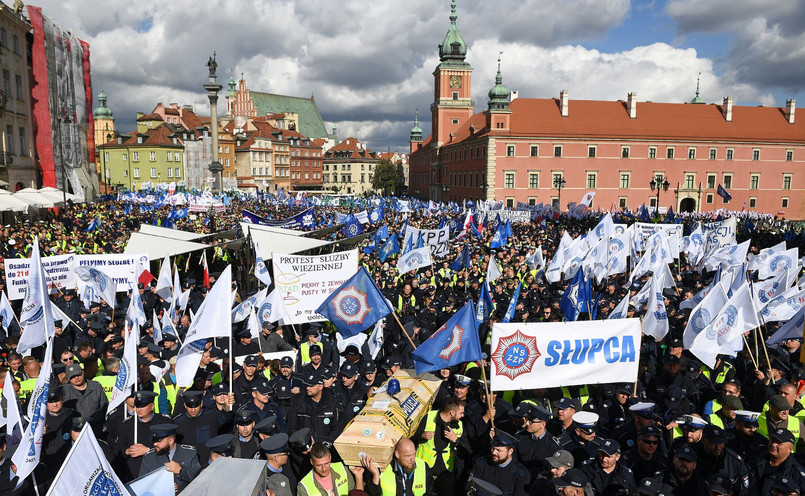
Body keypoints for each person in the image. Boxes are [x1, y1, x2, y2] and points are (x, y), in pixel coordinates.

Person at [415, 397, 470, 493]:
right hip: (424, 469)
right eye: (461, 413)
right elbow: (413, 438)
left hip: (446, 473)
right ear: (452, 413)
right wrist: (422, 435)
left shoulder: (459, 425)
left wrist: (456, 440)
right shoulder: (429, 417)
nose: (463, 415)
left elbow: (467, 449)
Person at [139, 424, 201, 493]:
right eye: (154, 441)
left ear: (171, 440)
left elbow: (200, 479)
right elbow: (142, 485)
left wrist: (180, 471)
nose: (155, 444)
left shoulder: (189, 453)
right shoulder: (149, 458)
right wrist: (160, 489)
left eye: (159, 441)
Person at [466, 430, 530, 496]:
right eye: (493, 448)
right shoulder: (481, 464)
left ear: (510, 451)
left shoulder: (521, 474)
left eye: (498, 450)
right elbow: (470, 488)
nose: (494, 452)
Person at [363, 438, 433, 496]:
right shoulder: (384, 468)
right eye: (408, 456)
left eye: (413, 454)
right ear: (397, 454)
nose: (412, 459)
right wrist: (375, 475)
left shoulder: (423, 466)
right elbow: (372, 494)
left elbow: (431, 492)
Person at [749, 428, 805, 495]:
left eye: (779, 443)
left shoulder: (797, 473)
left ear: (790, 449)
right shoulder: (755, 459)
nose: (773, 444)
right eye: (772, 440)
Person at [297, 442, 362, 496]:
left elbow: (357, 494)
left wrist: (359, 476)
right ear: (312, 462)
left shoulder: (342, 469)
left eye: (327, 463)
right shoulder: (304, 486)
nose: (324, 469)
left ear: (330, 457)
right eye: (319, 465)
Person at [61, 362, 108, 432]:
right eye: (72, 377)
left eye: (78, 374)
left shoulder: (96, 386)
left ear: (83, 372)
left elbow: (105, 407)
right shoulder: (64, 390)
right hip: (75, 430)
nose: (76, 378)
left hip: (96, 428)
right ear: (68, 379)